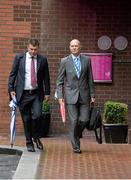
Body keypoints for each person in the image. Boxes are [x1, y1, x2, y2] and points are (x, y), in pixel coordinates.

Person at [8, 38, 50, 152]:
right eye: (31, 49)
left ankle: (36, 137)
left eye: (35, 50)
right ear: (27, 47)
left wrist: (47, 93)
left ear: (38, 49)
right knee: (26, 120)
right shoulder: (19, 58)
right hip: (23, 94)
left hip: (36, 93)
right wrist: (11, 89)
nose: (33, 52)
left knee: (37, 116)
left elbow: (46, 77)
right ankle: (29, 142)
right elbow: (12, 74)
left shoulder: (43, 60)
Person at [55, 39, 95, 153]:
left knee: (84, 119)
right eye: (72, 46)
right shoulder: (64, 61)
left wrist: (92, 94)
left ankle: (75, 133)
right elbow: (59, 81)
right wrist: (60, 96)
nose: (74, 48)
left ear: (80, 47)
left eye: (76, 46)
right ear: (69, 47)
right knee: (73, 120)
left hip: (84, 95)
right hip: (70, 95)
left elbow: (90, 79)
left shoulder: (87, 60)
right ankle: (76, 146)